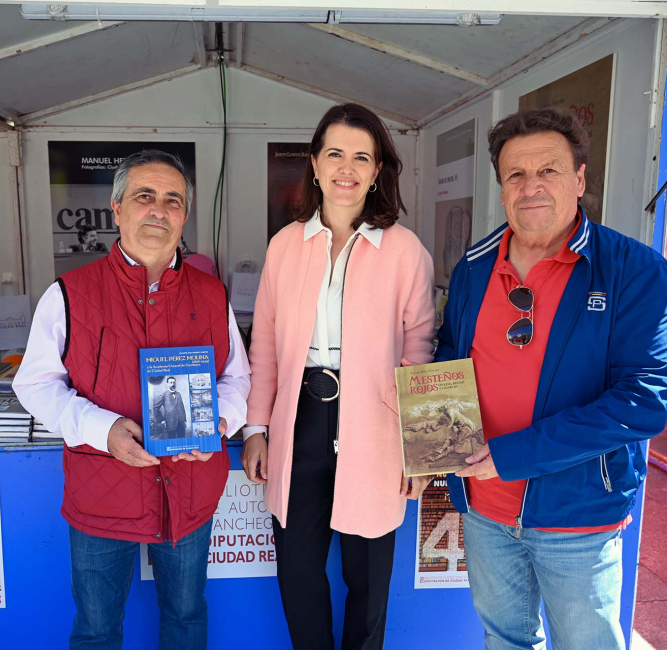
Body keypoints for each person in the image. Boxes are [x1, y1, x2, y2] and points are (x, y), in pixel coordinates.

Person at [436, 108, 667, 649]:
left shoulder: (635, 271)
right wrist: (429, 412)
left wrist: (515, 454)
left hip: (579, 517)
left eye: (548, 170)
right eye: (516, 175)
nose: (532, 188)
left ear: (579, 178)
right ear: (501, 189)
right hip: (483, 509)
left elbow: (647, 398)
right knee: (504, 639)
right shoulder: (474, 267)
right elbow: (452, 358)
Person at [13, 149, 251, 650]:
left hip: (188, 490)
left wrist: (218, 426)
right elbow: (34, 384)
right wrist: (102, 429)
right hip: (103, 493)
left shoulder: (212, 294)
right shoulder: (69, 293)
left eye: (172, 200)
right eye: (145, 196)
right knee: (97, 630)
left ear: (185, 216)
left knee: (186, 617)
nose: (158, 210)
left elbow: (237, 376)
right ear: (117, 208)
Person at [241, 103, 437, 650]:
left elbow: (420, 352)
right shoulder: (285, 246)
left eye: (361, 157)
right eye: (335, 154)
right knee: (298, 573)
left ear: (377, 171)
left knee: (368, 579)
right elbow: (267, 347)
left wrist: (421, 452)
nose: (346, 168)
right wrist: (256, 428)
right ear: (315, 162)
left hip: (376, 424)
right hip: (300, 419)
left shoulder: (404, 251)